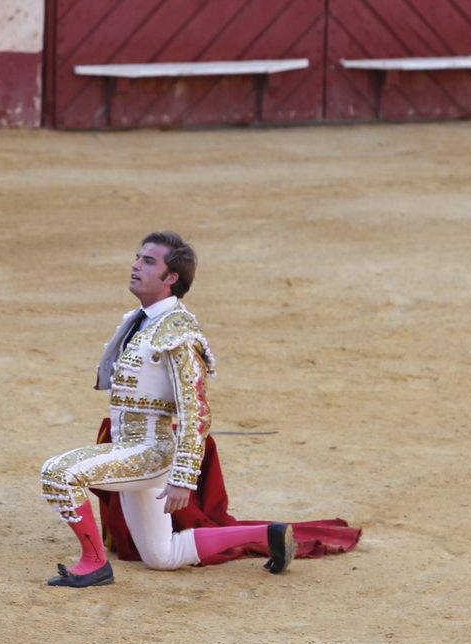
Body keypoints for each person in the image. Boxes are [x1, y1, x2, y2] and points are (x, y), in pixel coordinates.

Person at [39, 232, 294, 588]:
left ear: (171, 277)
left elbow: (196, 411)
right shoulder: (142, 320)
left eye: (148, 261)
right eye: (137, 257)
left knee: (58, 473)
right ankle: (268, 535)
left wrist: (183, 478)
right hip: (131, 447)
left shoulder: (177, 332)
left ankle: (94, 562)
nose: (135, 265)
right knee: (162, 557)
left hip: (150, 451)